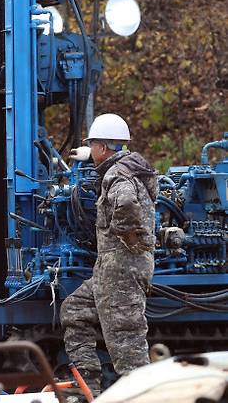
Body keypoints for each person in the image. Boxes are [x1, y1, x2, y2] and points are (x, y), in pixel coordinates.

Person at [60, 113, 157, 399]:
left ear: (103, 148)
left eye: (94, 147)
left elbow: (125, 201)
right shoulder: (129, 167)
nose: (92, 153)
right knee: (74, 310)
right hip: (109, 272)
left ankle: (144, 397)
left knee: (127, 349)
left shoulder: (118, 175)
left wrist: (128, 235)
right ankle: (87, 386)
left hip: (121, 274)